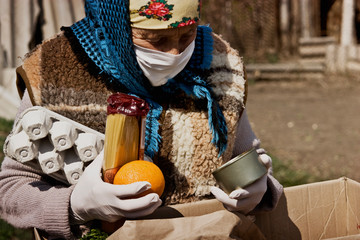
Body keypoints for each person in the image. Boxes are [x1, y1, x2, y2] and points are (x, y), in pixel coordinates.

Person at [0, 0, 283, 239]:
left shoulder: (218, 61)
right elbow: (10, 191)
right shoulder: (54, 68)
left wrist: (260, 188)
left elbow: (249, 157)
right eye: (155, 40)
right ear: (116, 25)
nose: (175, 54)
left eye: (187, 36)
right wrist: (76, 205)